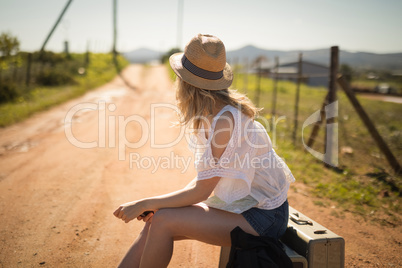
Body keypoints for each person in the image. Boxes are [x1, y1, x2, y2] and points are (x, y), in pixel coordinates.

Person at [113, 34, 295, 268]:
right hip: (247, 206)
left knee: (164, 221)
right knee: (156, 220)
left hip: (264, 217)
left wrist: (144, 202)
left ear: (186, 83)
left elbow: (202, 191)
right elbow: (206, 179)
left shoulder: (224, 122)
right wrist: (156, 205)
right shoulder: (213, 113)